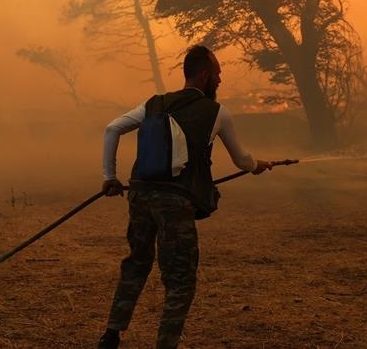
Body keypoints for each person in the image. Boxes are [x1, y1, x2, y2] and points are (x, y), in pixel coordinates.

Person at [98, 45, 272, 349]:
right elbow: (241, 160)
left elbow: (113, 128)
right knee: (180, 280)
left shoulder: (155, 104)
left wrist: (109, 178)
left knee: (137, 263)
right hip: (175, 203)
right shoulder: (217, 112)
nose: (220, 80)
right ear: (204, 76)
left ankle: (111, 335)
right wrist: (257, 165)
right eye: (217, 74)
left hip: (140, 196)